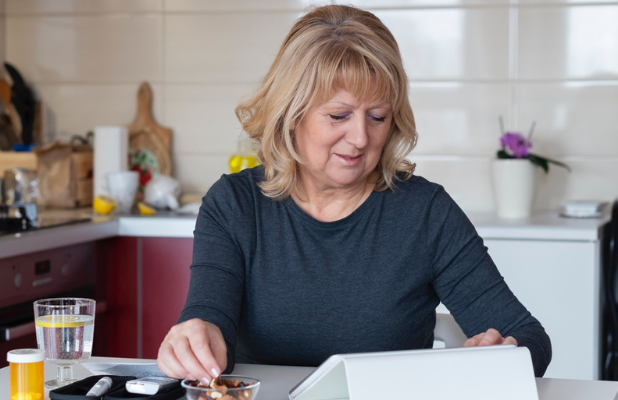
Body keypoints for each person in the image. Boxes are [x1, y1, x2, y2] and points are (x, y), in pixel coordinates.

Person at [157, 4, 551, 385]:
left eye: (378, 116)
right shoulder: (234, 205)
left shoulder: (426, 213)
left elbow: (528, 336)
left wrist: (506, 350)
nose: (362, 138)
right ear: (291, 114)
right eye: (339, 115)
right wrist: (195, 337)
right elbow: (210, 318)